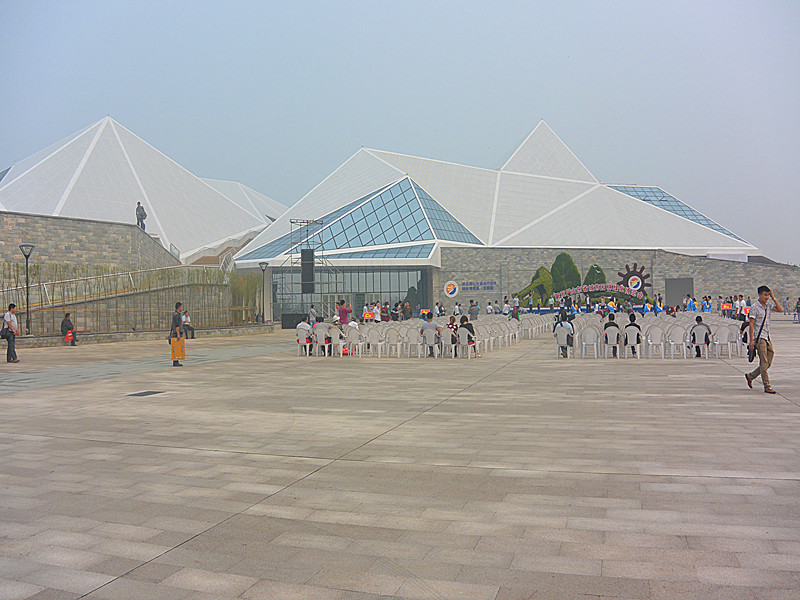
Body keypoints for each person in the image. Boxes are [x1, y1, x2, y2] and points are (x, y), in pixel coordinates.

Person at [745, 285, 783, 394]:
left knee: (768, 361)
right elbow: (751, 324)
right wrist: (751, 341)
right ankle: (767, 386)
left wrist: (773, 298)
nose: (767, 297)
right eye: (765, 295)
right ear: (759, 295)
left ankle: (750, 376)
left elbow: (780, 309)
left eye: (768, 295)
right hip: (759, 337)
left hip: (767, 336)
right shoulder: (754, 307)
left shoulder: (768, 306)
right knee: (764, 362)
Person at [169, 301, 184, 367]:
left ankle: (176, 360)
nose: (182, 308)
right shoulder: (176, 315)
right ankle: (175, 361)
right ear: (179, 307)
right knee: (176, 347)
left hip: (176, 332)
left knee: (177, 347)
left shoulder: (176, 314)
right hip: (177, 333)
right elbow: (177, 325)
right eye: (181, 307)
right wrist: (178, 334)